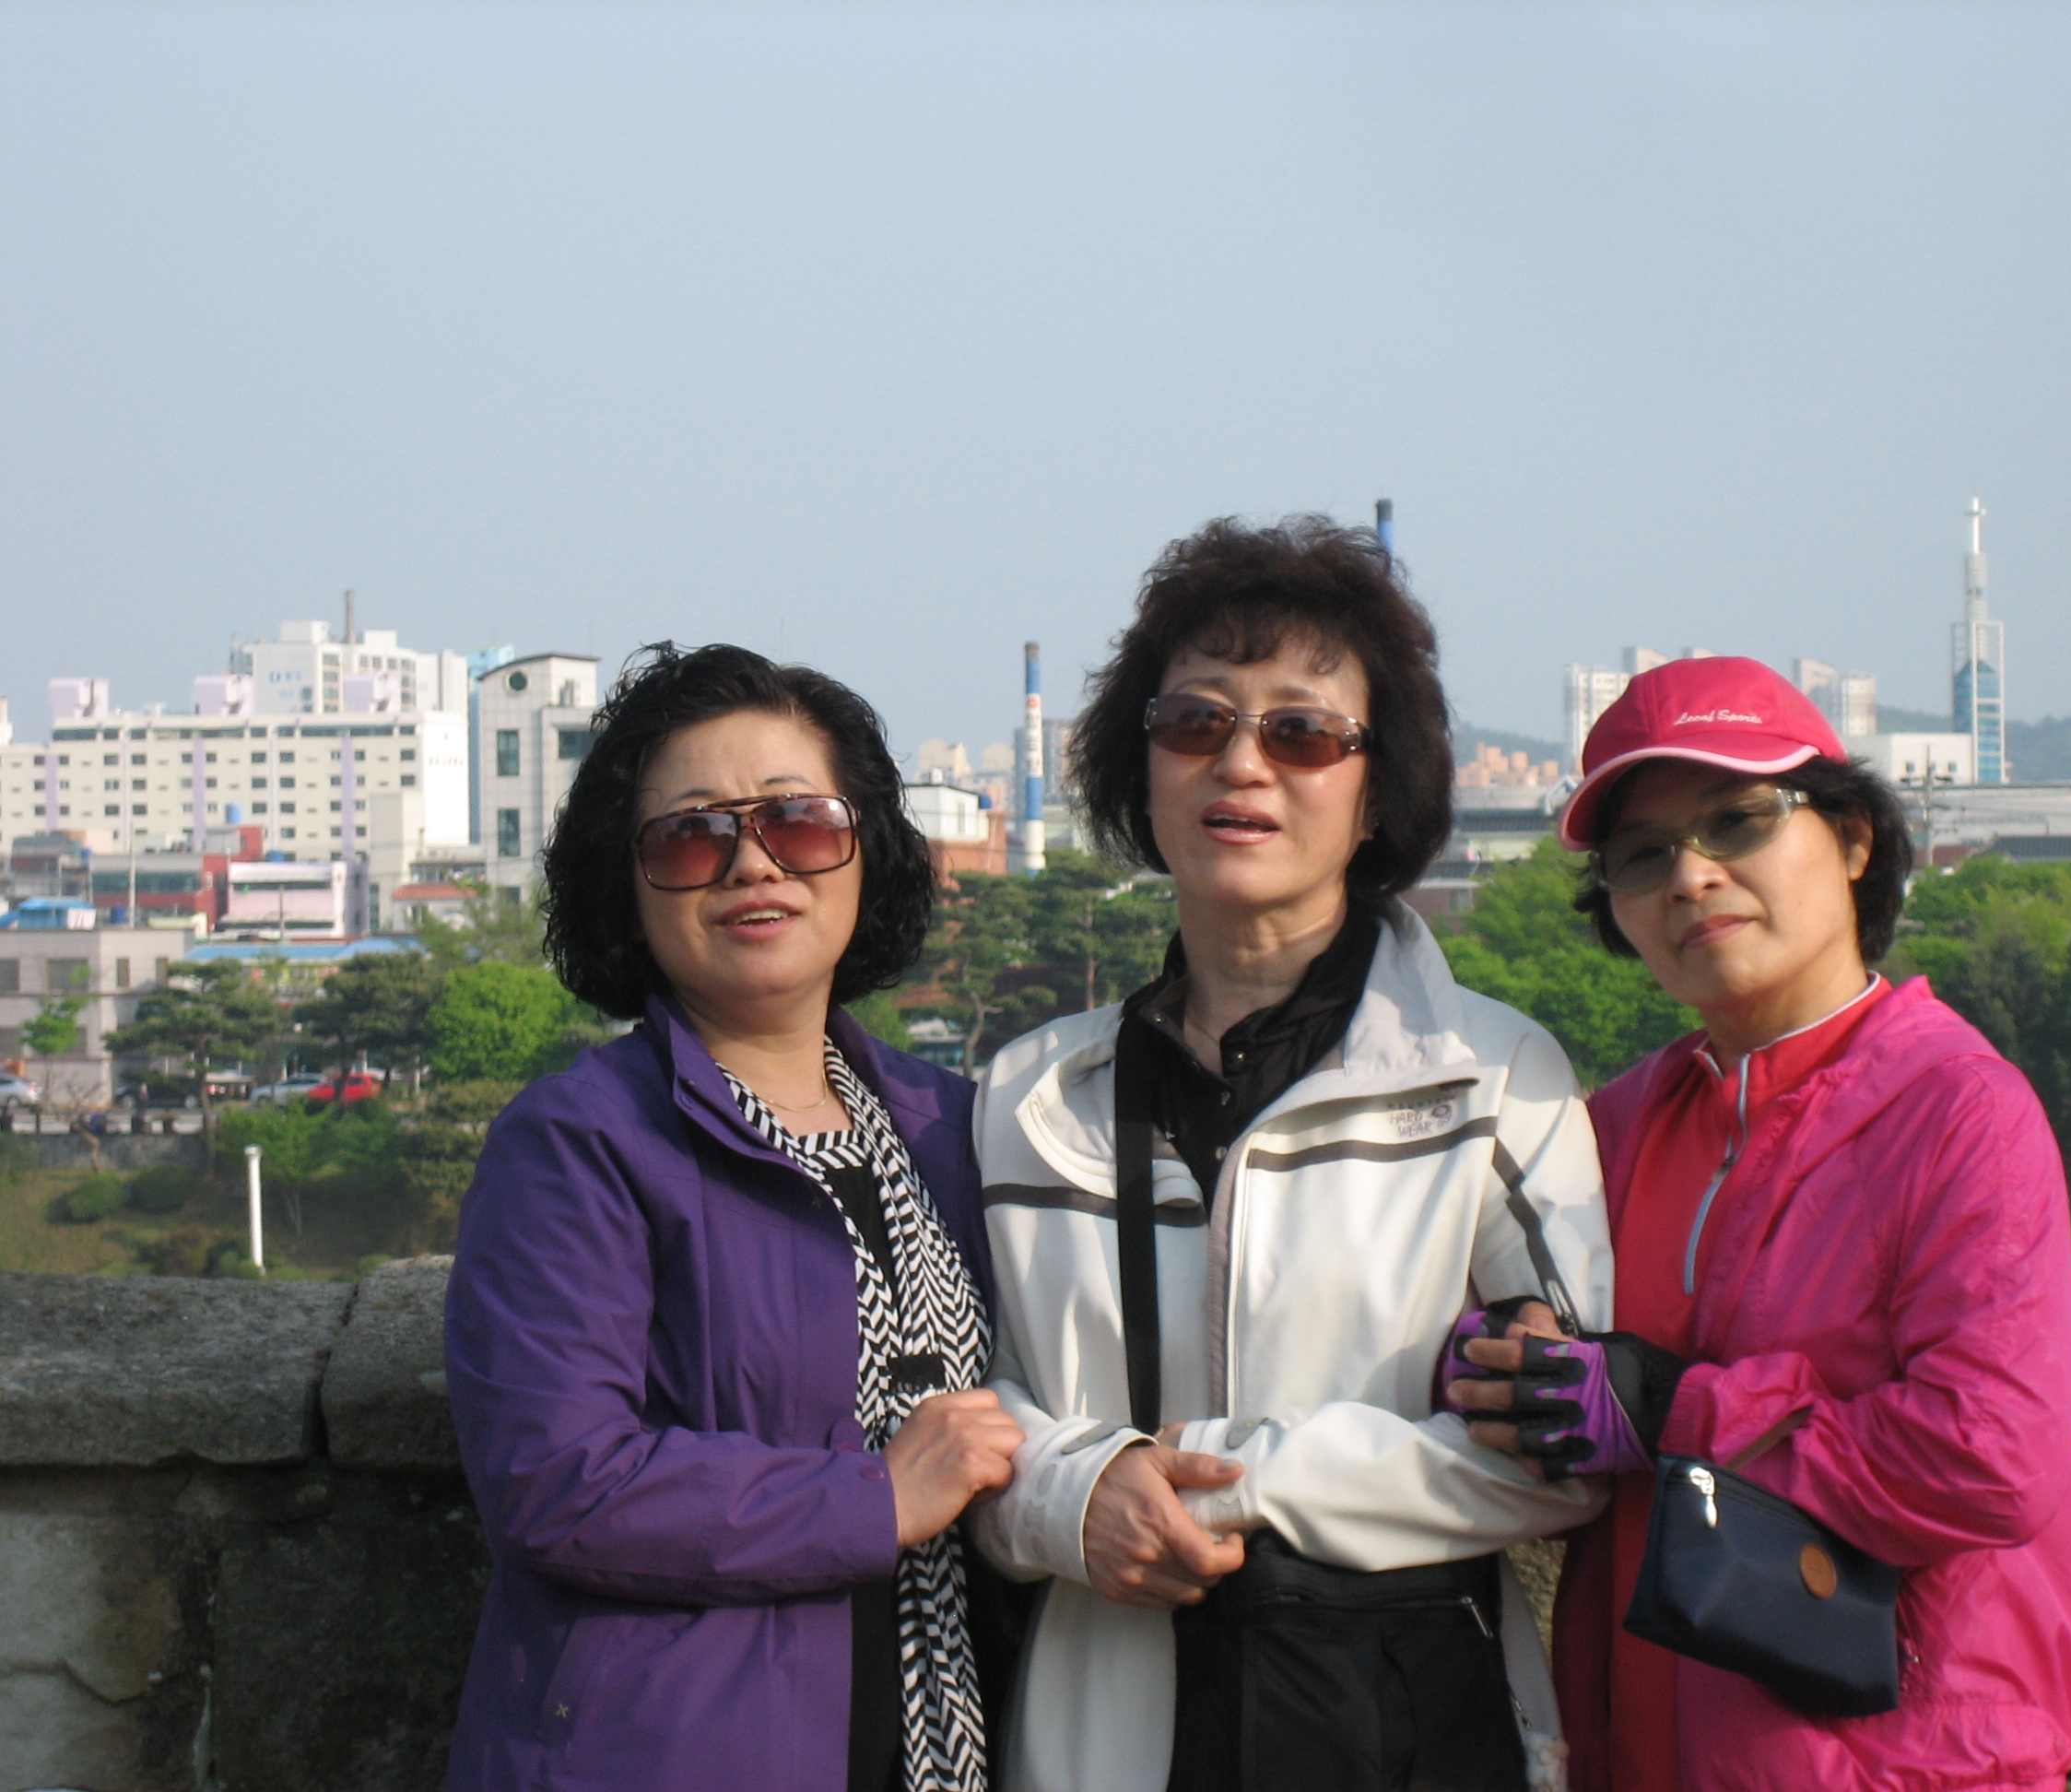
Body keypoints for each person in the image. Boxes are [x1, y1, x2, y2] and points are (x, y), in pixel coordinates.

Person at [970, 517, 1611, 1792]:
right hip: (1102, 1735)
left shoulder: (1494, 1081)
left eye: (1302, 733)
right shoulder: (1030, 1095)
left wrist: (1241, 1479)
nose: (1241, 763)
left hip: (1402, 1730)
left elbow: (1570, 1449)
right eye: (1194, 722)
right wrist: (1071, 1496)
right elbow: (959, 1408)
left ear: (1377, 791)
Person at [1446, 656, 2071, 1790]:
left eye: (1738, 821)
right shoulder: (1615, 1126)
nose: (1691, 876)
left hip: (1893, 1764)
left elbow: (1990, 1457)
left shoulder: (1960, 1115)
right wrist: (1492, 1366)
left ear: (1852, 840)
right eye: (1643, 854)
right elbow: (1497, 1336)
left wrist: (1671, 1408)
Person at [443, 644, 1023, 1792]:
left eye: (799, 822)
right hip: (676, 1750)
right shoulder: (581, 1143)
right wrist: (875, 1499)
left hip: (944, 1736)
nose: (753, 862)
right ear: (629, 883)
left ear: (864, 849)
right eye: (691, 836)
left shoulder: (953, 1130)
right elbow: (558, 1480)